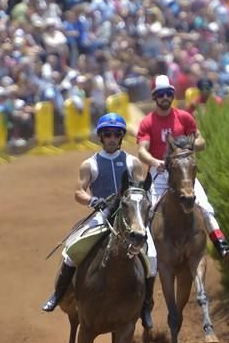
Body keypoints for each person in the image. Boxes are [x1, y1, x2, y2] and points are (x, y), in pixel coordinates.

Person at [42, 112, 158, 328]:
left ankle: (146, 306)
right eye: (107, 134)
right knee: (73, 248)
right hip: (103, 215)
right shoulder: (90, 164)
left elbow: (140, 190)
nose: (112, 138)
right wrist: (93, 200)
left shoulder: (132, 162)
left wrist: (143, 210)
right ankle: (58, 294)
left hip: (128, 216)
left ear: (121, 137)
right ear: (101, 137)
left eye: (116, 134)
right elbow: (79, 192)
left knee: (151, 255)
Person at [137, 74, 229, 262]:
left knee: (205, 206)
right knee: (148, 213)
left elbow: (201, 141)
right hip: (159, 173)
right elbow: (142, 150)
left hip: (183, 172)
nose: (165, 97)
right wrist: (155, 161)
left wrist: (189, 147)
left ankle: (221, 244)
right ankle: (146, 256)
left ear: (172, 95)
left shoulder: (184, 117)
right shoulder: (148, 122)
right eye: (160, 94)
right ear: (154, 97)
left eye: (168, 94)